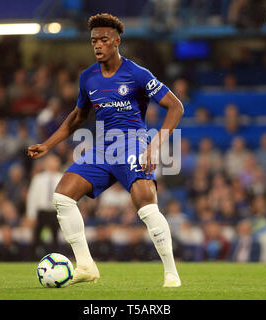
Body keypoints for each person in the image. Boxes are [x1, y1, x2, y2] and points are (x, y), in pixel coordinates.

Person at [28, 13, 184, 287]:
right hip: (103, 149)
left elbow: (176, 107)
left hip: (133, 144)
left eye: (103, 39)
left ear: (116, 41)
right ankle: (86, 265)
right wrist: (48, 145)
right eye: (93, 41)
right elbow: (77, 117)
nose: (97, 45)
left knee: (146, 205)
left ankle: (171, 272)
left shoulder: (137, 73)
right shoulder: (88, 78)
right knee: (63, 195)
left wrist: (155, 145)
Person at [26, 155, 64, 258]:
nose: (53, 164)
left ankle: (55, 258)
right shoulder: (38, 178)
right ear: (46, 164)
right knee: (37, 237)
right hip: (42, 211)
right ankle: (34, 258)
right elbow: (32, 197)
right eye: (51, 162)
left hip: (55, 211)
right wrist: (31, 215)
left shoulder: (62, 178)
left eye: (55, 162)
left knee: (55, 237)